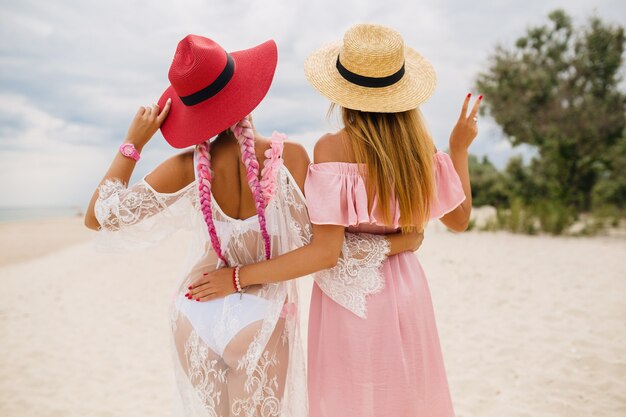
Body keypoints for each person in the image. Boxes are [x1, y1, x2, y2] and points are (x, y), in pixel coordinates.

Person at [84, 33, 423, 417]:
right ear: (245, 93)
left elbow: (98, 216)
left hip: (194, 310)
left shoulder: (184, 169)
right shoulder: (290, 157)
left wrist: (132, 143)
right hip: (261, 315)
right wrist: (400, 243)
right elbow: (327, 250)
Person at [190, 24, 480, 417]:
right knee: (405, 396)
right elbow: (460, 220)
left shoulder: (331, 148)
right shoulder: (421, 149)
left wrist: (239, 276)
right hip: (408, 289)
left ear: (343, 91)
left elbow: (326, 252)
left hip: (350, 301)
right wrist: (459, 150)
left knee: (348, 400)